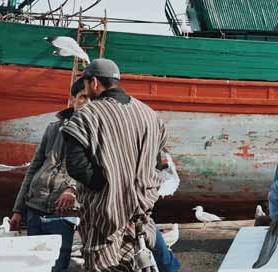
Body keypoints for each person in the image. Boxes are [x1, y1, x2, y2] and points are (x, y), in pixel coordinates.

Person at [61, 58, 179, 271]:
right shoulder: (149, 114)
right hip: (140, 211)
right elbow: (156, 158)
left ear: (94, 82)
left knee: (103, 265)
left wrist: (106, 186)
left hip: (104, 217)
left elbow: (76, 165)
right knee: (135, 262)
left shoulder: (88, 115)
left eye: (86, 83)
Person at [10, 77, 88, 272]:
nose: (86, 103)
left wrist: (72, 188)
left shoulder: (96, 134)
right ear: (72, 100)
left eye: (90, 99)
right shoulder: (53, 129)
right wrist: (18, 210)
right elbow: (33, 169)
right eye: (82, 97)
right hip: (34, 208)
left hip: (62, 214)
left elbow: (94, 171)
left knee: (57, 266)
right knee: (31, 266)